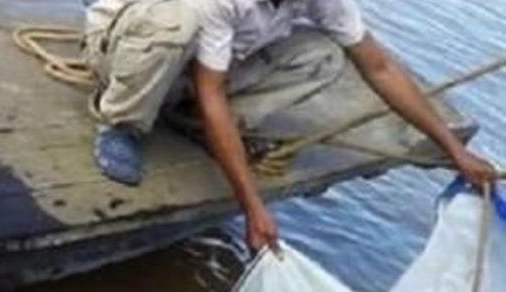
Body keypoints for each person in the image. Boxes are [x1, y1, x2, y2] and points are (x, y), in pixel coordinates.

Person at [84, 0, 497, 251]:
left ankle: (193, 120)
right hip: (128, 51)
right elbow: (211, 90)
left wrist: (453, 149)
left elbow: (380, 67)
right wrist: (254, 208)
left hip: (195, 72)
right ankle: (123, 122)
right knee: (179, 21)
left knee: (322, 54)